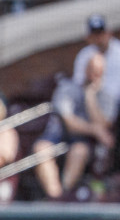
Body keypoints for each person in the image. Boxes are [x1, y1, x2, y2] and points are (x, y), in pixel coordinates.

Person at [33, 55, 115, 201]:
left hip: (83, 142)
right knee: (41, 149)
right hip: (58, 134)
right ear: (85, 69)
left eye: (98, 71)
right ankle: (55, 196)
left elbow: (104, 125)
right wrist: (94, 129)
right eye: (92, 69)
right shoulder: (67, 88)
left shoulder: (107, 95)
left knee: (79, 151)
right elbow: (69, 121)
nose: (94, 74)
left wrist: (90, 96)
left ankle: (63, 195)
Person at [72, 14, 120, 126]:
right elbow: (78, 84)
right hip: (95, 103)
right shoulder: (85, 55)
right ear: (88, 37)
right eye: (94, 35)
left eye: (100, 33)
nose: (99, 38)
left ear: (108, 33)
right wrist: (91, 82)